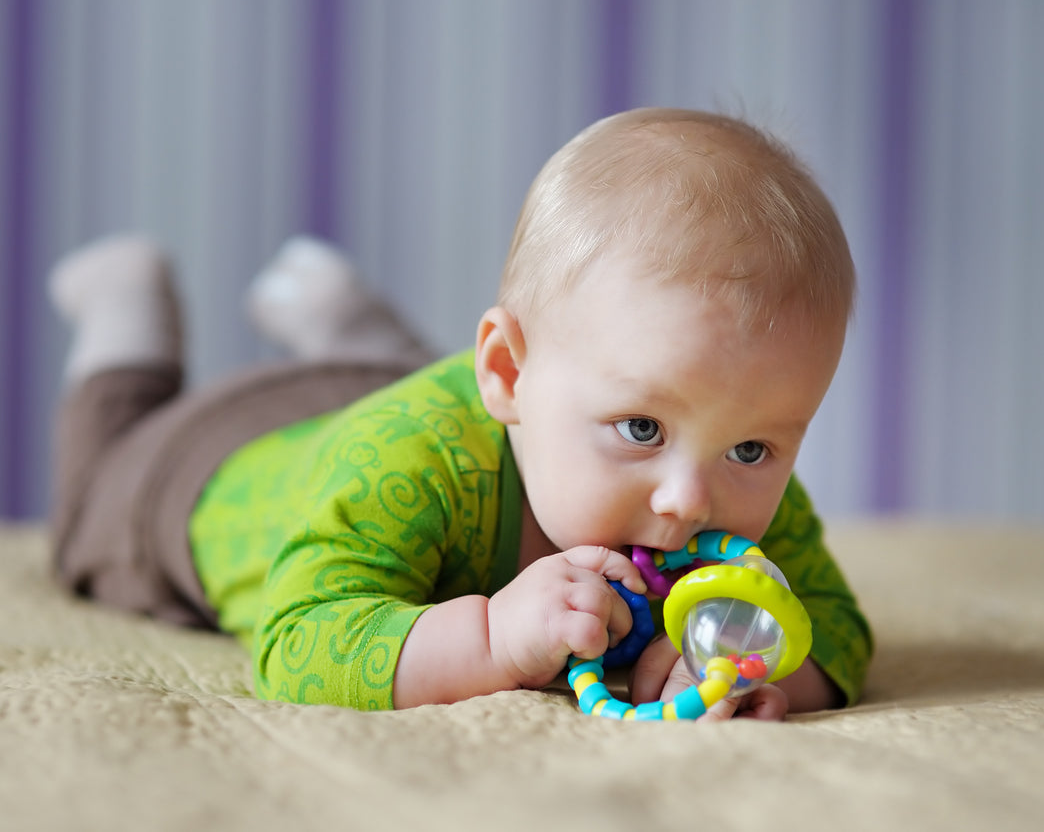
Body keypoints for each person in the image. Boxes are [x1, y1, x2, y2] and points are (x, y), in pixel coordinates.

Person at [49, 107, 872, 719]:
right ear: (506, 373)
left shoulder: (726, 480)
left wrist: (758, 667)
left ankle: (353, 330)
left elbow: (836, 627)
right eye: (642, 429)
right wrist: (493, 638)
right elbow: (297, 645)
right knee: (96, 491)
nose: (690, 501)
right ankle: (127, 310)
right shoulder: (405, 464)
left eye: (755, 448)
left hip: (409, 393)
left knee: (402, 383)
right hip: (212, 457)